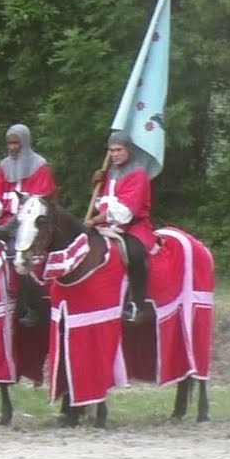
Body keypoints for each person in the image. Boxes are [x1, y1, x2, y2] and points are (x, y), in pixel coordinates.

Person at [0, 124, 56, 327]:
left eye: (16, 142)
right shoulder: (3, 166)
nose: (13, 147)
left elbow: (39, 201)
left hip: (30, 223)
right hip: (4, 222)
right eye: (10, 143)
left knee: (19, 256)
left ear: (25, 142)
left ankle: (32, 306)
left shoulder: (40, 167)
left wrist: (15, 223)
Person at [86, 131, 154, 322]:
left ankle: (137, 304)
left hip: (133, 227)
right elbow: (103, 203)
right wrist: (96, 186)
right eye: (112, 150)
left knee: (134, 254)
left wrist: (93, 221)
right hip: (108, 224)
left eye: (119, 150)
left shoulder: (138, 173)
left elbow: (125, 212)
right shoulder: (110, 173)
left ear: (128, 150)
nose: (115, 154)